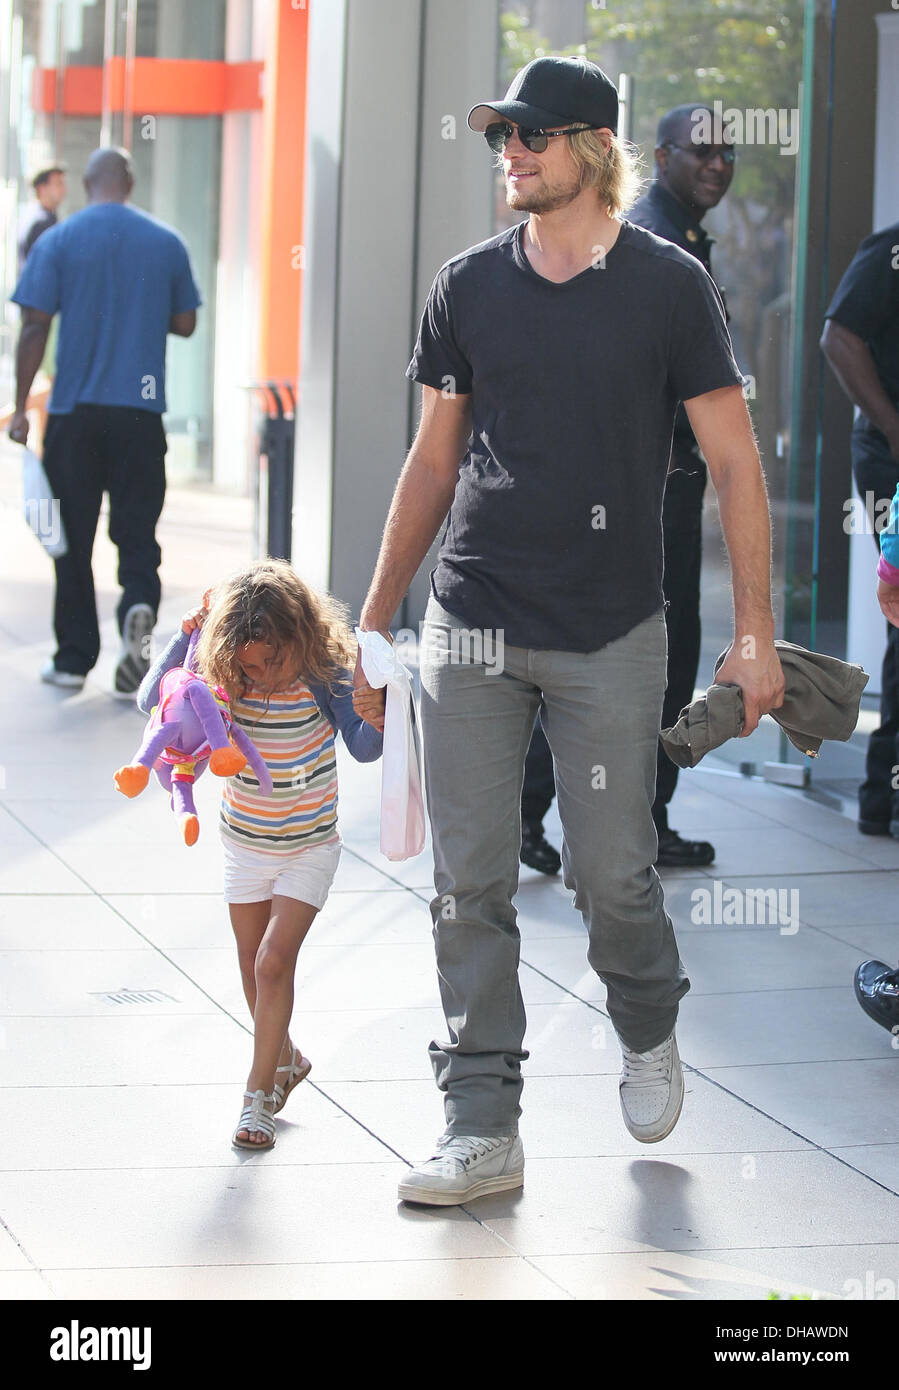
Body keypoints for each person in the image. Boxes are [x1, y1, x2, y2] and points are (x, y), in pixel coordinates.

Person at [353, 56, 784, 1207]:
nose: (510, 151)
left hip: (608, 629)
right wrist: (374, 618)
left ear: (591, 147)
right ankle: (480, 1123)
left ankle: (645, 1017)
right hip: (471, 623)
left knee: (609, 875)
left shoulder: (666, 287)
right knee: (468, 884)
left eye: (530, 135)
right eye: (500, 135)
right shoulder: (465, 287)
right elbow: (432, 461)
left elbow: (735, 461)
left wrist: (753, 633)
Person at [518, 102, 738, 872]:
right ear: (662, 157)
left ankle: (564, 816)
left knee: (622, 654)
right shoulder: (652, 243)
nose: (717, 164)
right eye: (701, 151)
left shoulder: (676, 240)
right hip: (643, 487)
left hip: (647, 483)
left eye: (727, 153)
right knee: (638, 659)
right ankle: (584, 818)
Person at [135, 560, 384, 1149]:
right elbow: (151, 698)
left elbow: (365, 748)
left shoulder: (324, 674)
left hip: (309, 846)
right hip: (244, 843)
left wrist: (380, 711)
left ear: (300, 637)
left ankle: (257, 1097)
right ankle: (286, 1058)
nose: (263, 676)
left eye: (274, 661)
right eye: (250, 667)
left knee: (273, 962)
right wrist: (187, 636)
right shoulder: (224, 672)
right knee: (252, 967)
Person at [7, 147, 202, 697]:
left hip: (74, 415)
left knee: (71, 539)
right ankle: (137, 614)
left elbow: (33, 326)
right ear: (130, 184)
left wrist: (20, 407)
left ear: (87, 184)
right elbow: (186, 322)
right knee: (137, 534)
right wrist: (141, 304)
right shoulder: (166, 242)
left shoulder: (58, 240)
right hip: (140, 415)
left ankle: (73, 659)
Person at [821, 222, 899, 836]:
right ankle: (886, 797)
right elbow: (839, 338)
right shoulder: (889, 249)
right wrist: (895, 429)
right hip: (888, 456)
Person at [17, 165, 67, 271]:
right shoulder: (39, 221)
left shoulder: (45, 216)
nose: (63, 189)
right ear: (42, 188)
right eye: (58, 184)